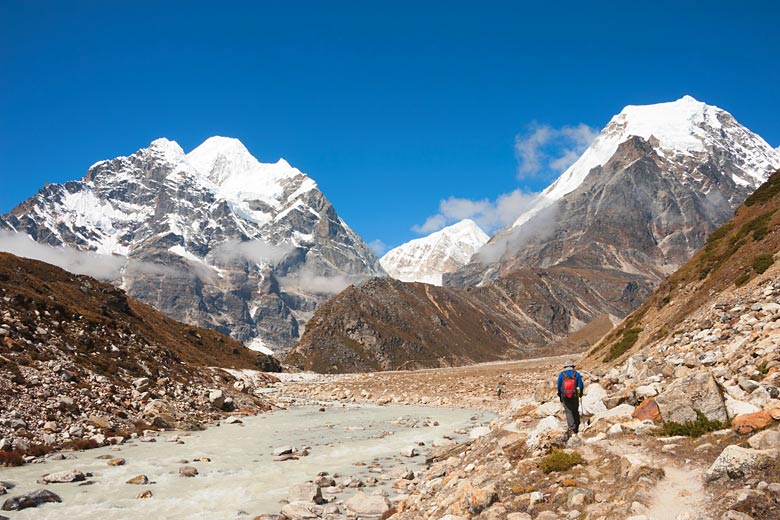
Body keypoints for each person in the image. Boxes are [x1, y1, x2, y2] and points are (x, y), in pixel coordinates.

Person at [557, 360, 584, 435]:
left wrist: (560, 395)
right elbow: (580, 386)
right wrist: (580, 394)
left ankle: (572, 428)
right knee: (575, 410)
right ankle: (577, 426)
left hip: (565, 396)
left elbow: (559, 387)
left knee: (568, 412)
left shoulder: (561, 375)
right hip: (575, 395)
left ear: (565, 367)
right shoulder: (577, 374)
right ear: (572, 367)